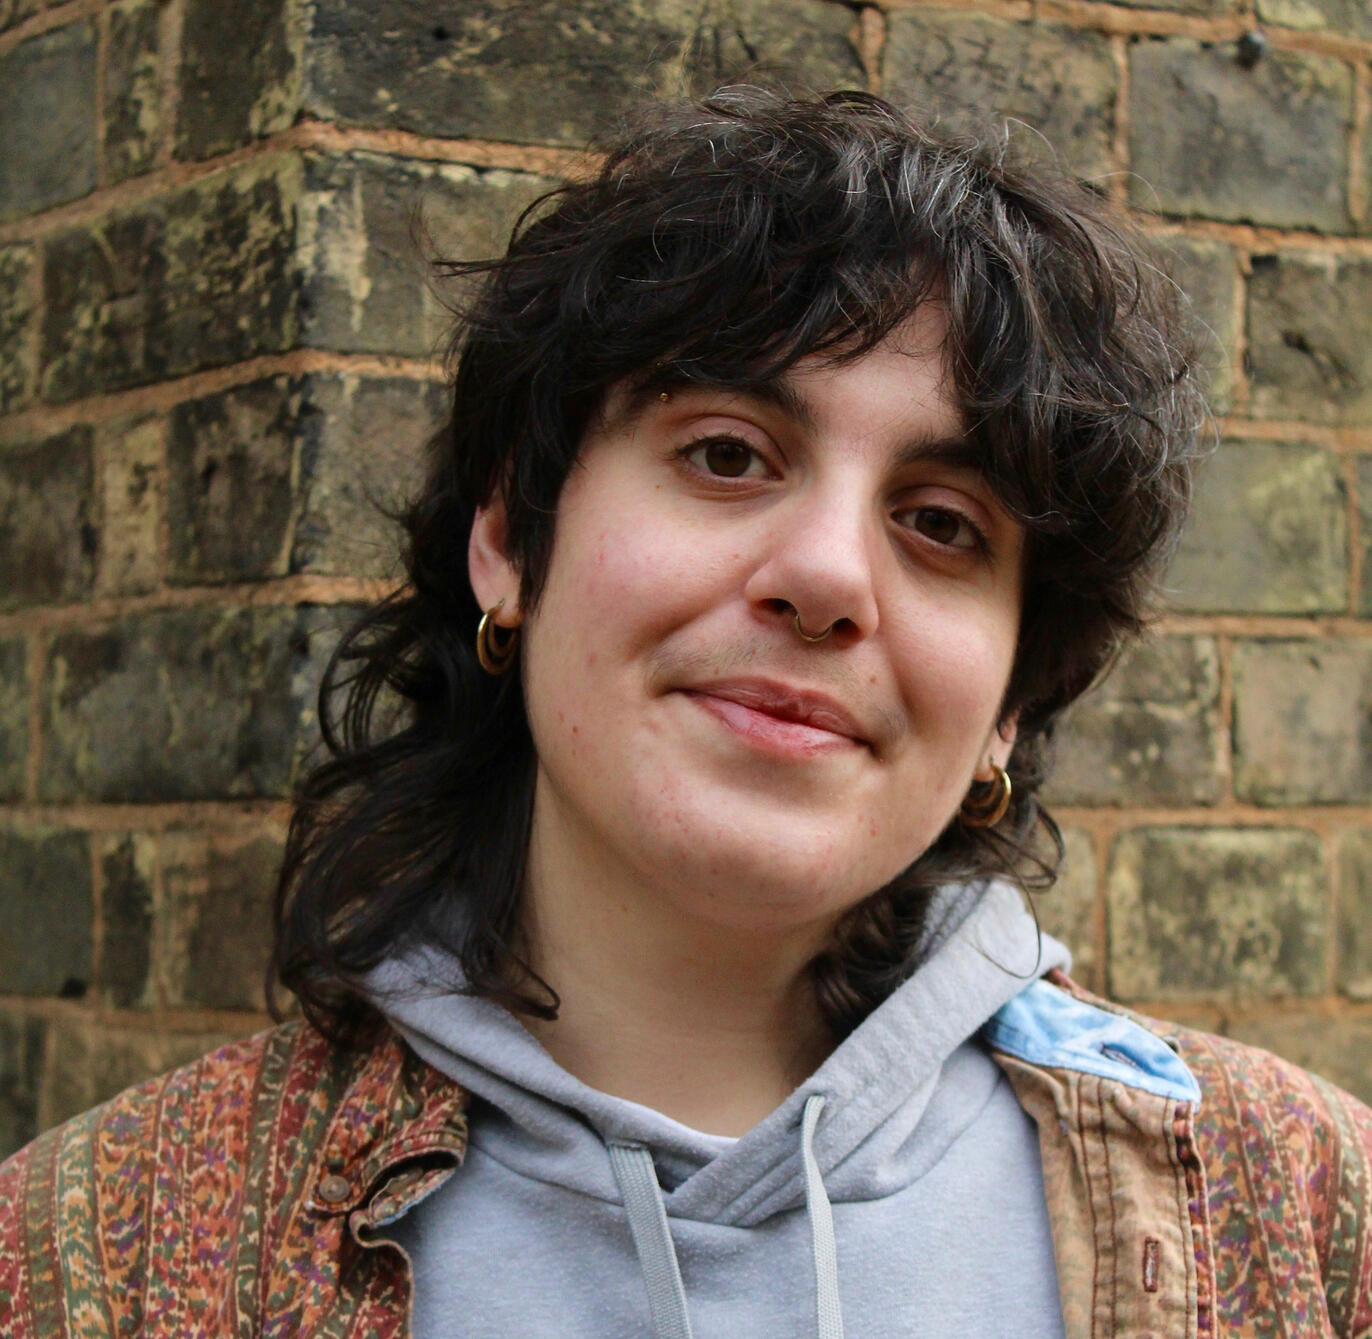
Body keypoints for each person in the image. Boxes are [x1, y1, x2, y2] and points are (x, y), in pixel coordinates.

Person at [2, 86, 1369, 1338]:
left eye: (943, 522)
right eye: (727, 454)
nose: (828, 577)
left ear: (1014, 699)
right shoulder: (97, 1258)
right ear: (511, 538)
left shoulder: (1306, 1221)